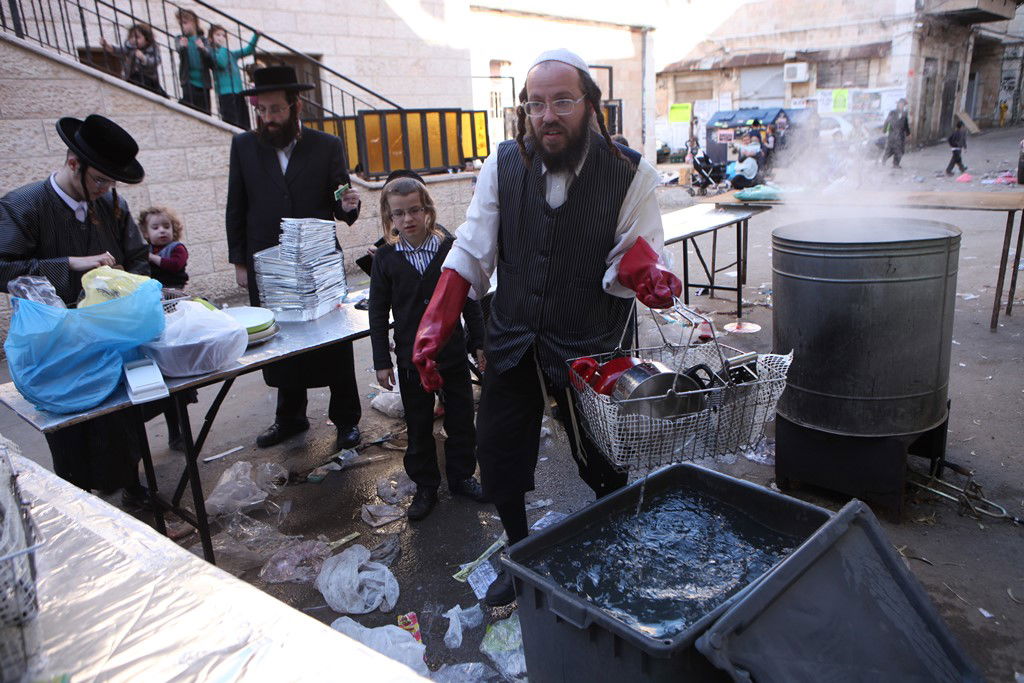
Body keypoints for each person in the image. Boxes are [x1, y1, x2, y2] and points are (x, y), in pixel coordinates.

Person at [410, 48, 680, 606]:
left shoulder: (630, 172)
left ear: (590, 106)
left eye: (561, 101)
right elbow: (472, 251)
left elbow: (642, 252)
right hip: (514, 336)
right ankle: (520, 551)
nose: (547, 116)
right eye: (536, 104)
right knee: (499, 451)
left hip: (591, 341)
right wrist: (435, 323)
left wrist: (648, 275)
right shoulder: (503, 164)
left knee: (603, 459)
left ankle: (614, 542)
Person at [0, 114, 151, 503]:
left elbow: (136, 256)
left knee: (122, 419)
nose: (106, 190)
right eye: (100, 179)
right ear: (73, 163)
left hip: (109, 333)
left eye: (112, 182)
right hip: (53, 344)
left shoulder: (112, 204)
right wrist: (70, 264)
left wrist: (131, 292)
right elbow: (2, 269)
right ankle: (81, 499)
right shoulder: (23, 206)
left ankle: (133, 488)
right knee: (71, 431)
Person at [226, 65, 363, 450]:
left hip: (319, 264)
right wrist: (240, 262)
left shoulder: (327, 145)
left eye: (276, 110)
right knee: (281, 344)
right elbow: (236, 204)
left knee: (334, 342)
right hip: (270, 266)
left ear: (295, 105)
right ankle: (290, 418)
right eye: (263, 110)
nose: (268, 118)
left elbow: (340, 200)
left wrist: (349, 204)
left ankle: (347, 420)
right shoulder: (243, 146)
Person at [369, 177, 486, 520]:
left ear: (428, 210)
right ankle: (426, 486)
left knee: (462, 418)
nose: (408, 219)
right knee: (419, 424)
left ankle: (462, 476)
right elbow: (377, 312)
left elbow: (470, 299)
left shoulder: (450, 249)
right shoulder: (386, 260)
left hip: (451, 352)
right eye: (399, 213)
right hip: (410, 359)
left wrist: (478, 342)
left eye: (415, 210)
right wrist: (381, 361)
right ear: (389, 218)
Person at [208, 25, 259, 130]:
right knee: (232, 123)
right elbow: (221, 62)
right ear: (210, 38)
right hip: (225, 94)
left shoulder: (230, 53)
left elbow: (248, 50)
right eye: (218, 35)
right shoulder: (212, 52)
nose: (221, 37)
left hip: (238, 93)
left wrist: (256, 36)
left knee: (244, 124)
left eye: (223, 35)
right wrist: (223, 47)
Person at [101, 24, 166, 97]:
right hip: (132, 77)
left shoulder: (152, 49)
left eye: (137, 37)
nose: (134, 39)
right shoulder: (130, 48)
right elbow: (121, 50)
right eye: (131, 37)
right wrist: (109, 47)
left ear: (147, 39)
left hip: (149, 79)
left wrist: (144, 58)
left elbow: (156, 61)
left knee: (161, 95)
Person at [139, 205, 188, 289]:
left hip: (174, 288)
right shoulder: (147, 249)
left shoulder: (178, 248)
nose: (162, 230)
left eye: (166, 227)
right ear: (146, 233)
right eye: (155, 228)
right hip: (154, 289)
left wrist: (153, 258)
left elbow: (175, 265)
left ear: (174, 229)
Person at [175, 8, 213, 115]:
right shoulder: (179, 38)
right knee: (190, 111)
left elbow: (210, 58)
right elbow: (178, 49)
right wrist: (183, 47)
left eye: (185, 23)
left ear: (194, 23)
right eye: (181, 24)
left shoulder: (203, 40)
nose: (183, 26)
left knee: (205, 112)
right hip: (188, 81)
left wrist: (202, 49)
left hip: (203, 82)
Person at [882, 99, 911, 168]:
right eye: (900, 104)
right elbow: (887, 121)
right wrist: (884, 129)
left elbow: (905, 124)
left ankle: (896, 164)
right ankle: (883, 160)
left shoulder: (904, 113)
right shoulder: (892, 112)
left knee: (900, 150)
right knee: (890, 149)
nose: (901, 105)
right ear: (898, 105)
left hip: (901, 135)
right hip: (892, 133)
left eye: (903, 104)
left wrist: (908, 133)